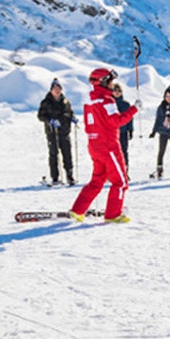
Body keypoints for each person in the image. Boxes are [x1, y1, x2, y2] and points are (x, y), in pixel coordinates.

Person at [70, 68, 138, 223]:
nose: (113, 84)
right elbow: (116, 121)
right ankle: (113, 214)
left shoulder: (89, 102)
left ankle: (77, 210)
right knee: (120, 182)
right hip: (109, 146)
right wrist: (134, 109)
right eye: (111, 81)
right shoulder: (107, 101)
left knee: (97, 180)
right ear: (103, 82)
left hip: (94, 146)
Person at [37, 79, 76, 186]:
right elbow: (40, 116)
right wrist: (50, 120)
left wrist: (72, 118)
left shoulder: (66, 101)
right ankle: (55, 177)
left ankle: (70, 176)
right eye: (55, 89)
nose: (57, 91)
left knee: (67, 153)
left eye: (59, 88)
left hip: (64, 131)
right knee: (54, 153)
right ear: (51, 90)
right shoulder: (46, 102)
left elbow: (69, 112)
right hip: (52, 132)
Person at [112, 82, 133, 172]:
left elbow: (130, 118)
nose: (117, 92)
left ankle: (125, 171)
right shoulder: (109, 104)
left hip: (123, 132)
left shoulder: (126, 104)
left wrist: (130, 130)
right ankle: (112, 172)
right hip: (112, 133)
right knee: (112, 153)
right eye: (115, 90)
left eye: (119, 91)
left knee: (124, 152)